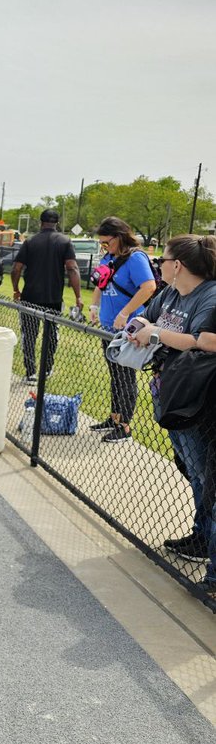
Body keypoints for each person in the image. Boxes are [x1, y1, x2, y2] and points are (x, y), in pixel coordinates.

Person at [128, 236, 216, 576]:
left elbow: (201, 342)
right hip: (166, 389)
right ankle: (200, 536)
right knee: (189, 468)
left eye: (161, 260)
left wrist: (154, 334)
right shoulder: (168, 294)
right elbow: (144, 320)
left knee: (203, 474)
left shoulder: (208, 295)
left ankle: (206, 542)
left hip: (193, 398)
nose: (158, 265)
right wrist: (140, 329)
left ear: (177, 265)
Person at [89, 216, 157, 443]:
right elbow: (100, 282)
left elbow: (149, 287)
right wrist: (93, 306)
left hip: (128, 329)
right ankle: (114, 417)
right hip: (108, 326)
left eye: (106, 242)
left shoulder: (135, 258)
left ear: (119, 237)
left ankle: (124, 427)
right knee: (114, 375)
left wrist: (125, 312)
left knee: (125, 377)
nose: (104, 247)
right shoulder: (109, 257)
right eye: (101, 244)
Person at [10, 209, 83, 381]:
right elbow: (72, 268)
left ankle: (31, 373)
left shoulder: (30, 242)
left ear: (40, 222)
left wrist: (16, 289)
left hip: (30, 297)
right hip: (54, 298)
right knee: (51, 335)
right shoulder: (65, 241)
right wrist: (78, 296)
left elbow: (16, 268)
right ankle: (47, 369)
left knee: (29, 334)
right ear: (56, 223)